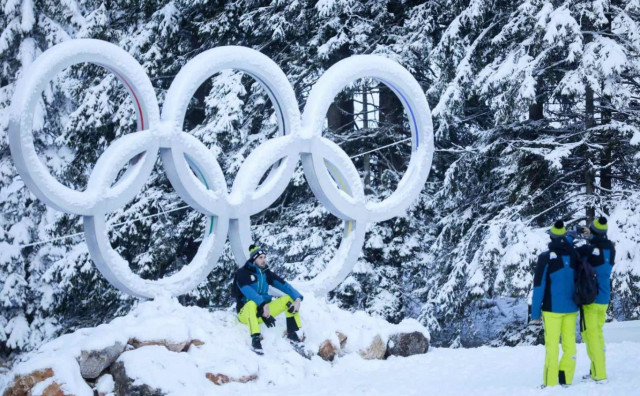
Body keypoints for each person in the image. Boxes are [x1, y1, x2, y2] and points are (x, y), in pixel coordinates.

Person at [531, 220, 580, 388]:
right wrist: (573, 235)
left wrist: (535, 313)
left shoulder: (545, 257)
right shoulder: (574, 255)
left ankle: (550, 382)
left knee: (552, 346)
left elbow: (539, 287)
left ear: (551, 237)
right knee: (570, 345)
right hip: (572, 308)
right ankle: (566, 378)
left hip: (551, 309)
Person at [234, 244, 304, 355]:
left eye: (264, 257)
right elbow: (247, 290)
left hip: (263, 313)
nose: (264, 260)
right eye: (260, 258)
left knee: (289, 299)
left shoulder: (266, 273)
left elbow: (284, 285)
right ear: (254, 260)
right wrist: (263, 304)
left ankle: (292, 333)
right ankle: (256, 339)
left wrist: (298, 298)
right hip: (245, 314)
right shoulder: (242, 273)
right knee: (252, 303)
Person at [577, 217, 615, 383]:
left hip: (591, 299)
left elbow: (579, 255)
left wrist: (584, 237)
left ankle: (600, 374)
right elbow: (597, 248)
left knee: (590, 337)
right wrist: (591, 235)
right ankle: (595, 370)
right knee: (597, 336)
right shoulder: (610, 249)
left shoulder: (590, 250)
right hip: (604, 298)